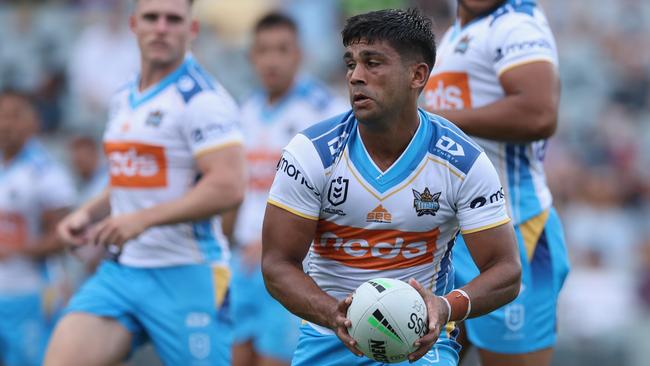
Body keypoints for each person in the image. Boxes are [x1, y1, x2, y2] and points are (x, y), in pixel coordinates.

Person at [261, 8, 522, 366]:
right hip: (327, 342)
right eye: (350, 63)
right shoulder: (310, 153)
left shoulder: (462, 162)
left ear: (417, 75)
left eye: (373, 63)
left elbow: (506, 270)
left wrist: (444, 308)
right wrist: (333, 315)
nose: (356, 76)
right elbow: (277, 263)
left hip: (420, 349)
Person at [44, 0, 246, 365]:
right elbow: (126, 178)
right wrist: (86, 214)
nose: (162, 27)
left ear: (192, 30)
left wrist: (143, 219)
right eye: (152, 18)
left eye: (173, 19)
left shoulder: (203, 99)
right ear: (134, 25)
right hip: (122, 272)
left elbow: (229, 186)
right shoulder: (124, 97)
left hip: (186, 272)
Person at [422, 1, 570, 365]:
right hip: (457, 235)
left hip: (515, 231)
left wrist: (430, 118)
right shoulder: (455, 34)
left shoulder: (515, 23)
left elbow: (539, 113)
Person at [229, 12, 347, 366]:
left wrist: (275, 241)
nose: (272, 60)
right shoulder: (244, 111)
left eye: (282, 50)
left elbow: (337, 193)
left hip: (293, 261)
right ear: (252, 57)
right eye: (264, 50)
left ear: (300, 54)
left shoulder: (328, 112)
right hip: (241, 259)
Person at [0, 90, 76, 366]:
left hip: (30, 294)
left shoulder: (46, 173)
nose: (6, 124)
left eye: (15, 115)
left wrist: (18, 249)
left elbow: (65, 235)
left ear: (34, 121)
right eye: (2, 115)